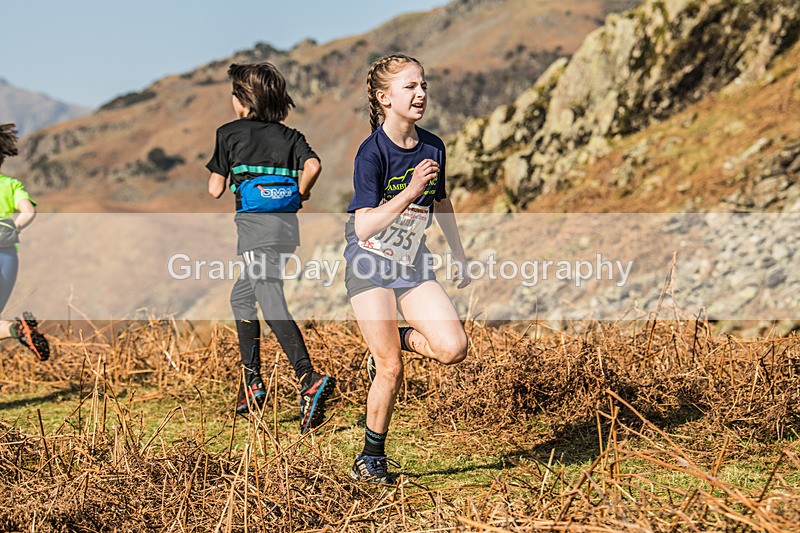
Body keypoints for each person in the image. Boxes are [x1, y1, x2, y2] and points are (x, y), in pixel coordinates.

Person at [344, 54, 470, 483]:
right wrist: (409, 189)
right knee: (391, 369)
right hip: (369, 262)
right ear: (384, 98)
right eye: (410, 87)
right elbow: (364, 225)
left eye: (423, 85)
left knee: (453, 347)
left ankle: (392, 338)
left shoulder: (433, 145)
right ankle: (370, 458)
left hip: (412, 262)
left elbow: (441, 201)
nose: (420, 94)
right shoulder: (371, 153)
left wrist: (459, 254)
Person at [207, 63, 333, 432]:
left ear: (244, 100)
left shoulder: (229, 133)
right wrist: (300, 192)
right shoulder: (290, 136)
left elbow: (215, 189)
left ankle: (308, 378)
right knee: (242, 297)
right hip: (284, 231)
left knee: (270, 296)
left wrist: (229, 173)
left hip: (253, 231)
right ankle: (251, 383)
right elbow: (314, 165)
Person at [0, 123, 50, 361]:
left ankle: (17, 330)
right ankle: (18, 329)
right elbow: (29, 212)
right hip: (8, 256)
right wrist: (12, 228)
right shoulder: (11, 185)